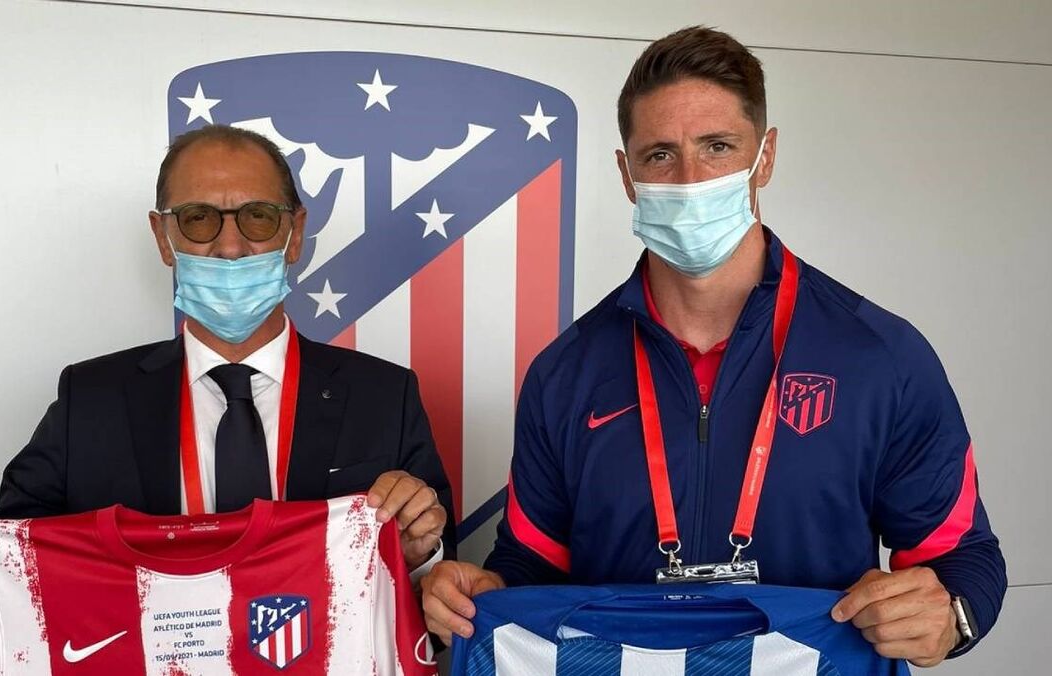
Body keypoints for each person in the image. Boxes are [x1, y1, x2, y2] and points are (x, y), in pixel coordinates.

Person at [422, 26, 1004, 668]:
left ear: (766, 156)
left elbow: (964, 556)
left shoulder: (881, 356)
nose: (690, 180)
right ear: (626, 174)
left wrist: (949, 615)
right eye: (660, 155)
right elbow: (532, 566)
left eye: (718, 147)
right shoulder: (564, 373)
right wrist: (482, 594)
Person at [0, 124, 454, 620]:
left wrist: (417, 556)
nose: (230, 247)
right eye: (199, 219)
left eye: (257, 217)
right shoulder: (91, 400)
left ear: (295, 234)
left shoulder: (386, 395)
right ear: (163, 237)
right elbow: (5, 566)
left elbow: (439, 580)